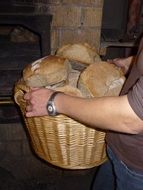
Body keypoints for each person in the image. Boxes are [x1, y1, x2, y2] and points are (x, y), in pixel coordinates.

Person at [24, 36, 143, 190]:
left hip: (137, 169)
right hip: (117, 147)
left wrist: (54, 101)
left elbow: (132, 118)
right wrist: (133, 62)